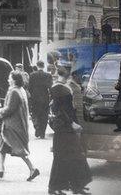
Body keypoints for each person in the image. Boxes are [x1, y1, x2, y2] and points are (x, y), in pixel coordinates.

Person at [0, 71, 39, 181]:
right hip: (16, 124)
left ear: (14, 80)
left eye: (9, 78)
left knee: (19, 149)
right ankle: (0, 169)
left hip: (12, 126)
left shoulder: (14, 92)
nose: (8, 80)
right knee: (1, 146)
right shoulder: (22, 90)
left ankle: (32, 168)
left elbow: (9, 109)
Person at [48, 67, 91, 195]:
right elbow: (62, 110)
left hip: (63, 127)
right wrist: (72, 123)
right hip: (65, 128)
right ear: (67, 75)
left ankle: (67, 185)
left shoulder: (58, 87)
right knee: (72, 156)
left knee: (66, 156)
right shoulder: (62, 89)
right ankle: (71, 185)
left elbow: (58, 110)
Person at [28, 60, 53, 139]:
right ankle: (42, 133)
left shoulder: (32, 75)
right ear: (43, 66)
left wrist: (32, 96)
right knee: (44, 116)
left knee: (35, 114)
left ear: (37, 65)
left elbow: (29, 87)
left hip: (35, 98)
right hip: (45, 98)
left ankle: (37, 127)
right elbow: (50, 87)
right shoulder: (48, 75)